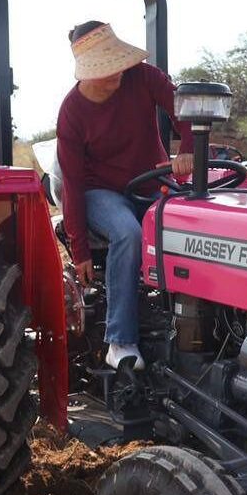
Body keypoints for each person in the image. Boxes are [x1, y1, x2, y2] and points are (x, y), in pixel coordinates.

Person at [56, 21, 194, 370]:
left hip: (151, 182)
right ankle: (120, 342)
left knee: (195, 222)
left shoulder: (143, 77)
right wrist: (79, 248)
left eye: (117, 63)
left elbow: (184, 111)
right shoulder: (72, 112)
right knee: (127, 231)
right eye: (106, 68)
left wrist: (188, 149)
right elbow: (71, 183)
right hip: (100, 192)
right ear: (86, 72)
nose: (116, 73)